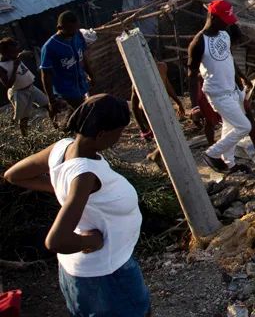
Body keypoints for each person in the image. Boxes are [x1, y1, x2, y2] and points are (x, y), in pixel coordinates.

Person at [4, 95, 150, 317]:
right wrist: (90, 241)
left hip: (82, 273)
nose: (119, 137)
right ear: (102, 133)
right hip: (106, 275)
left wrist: (61, 188)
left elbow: (14, 175)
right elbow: (56, 241)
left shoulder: (62, 148)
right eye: (119, 131)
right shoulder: (85, 175)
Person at [188, 0, 253, 174]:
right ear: (212, 16)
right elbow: (192, 75)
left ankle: (229, 163)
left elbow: (228, 59)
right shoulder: (198, 42)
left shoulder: (224, 34)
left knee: (230, 127)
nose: (227, 23)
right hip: (217, 93)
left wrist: (242, 79)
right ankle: (212, 153)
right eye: (224, 20)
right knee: (244, 127)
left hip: (232, 89)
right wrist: (194, 105)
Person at [40, 11, 93, 111]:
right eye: (70, 31)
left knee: (79, 114)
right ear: (60, 28)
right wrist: (51, 100)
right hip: (66, 91)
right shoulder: (49, 47)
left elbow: (83, 57)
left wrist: (91, 75)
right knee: (82, 113)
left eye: (76, 29)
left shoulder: (77, 35)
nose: (73, 33)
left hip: (80, 84)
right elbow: (46, 74)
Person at [2, 37, 53, 135]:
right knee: (24, 118)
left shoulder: (15, 57)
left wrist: (24, 54)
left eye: (16, 51)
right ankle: (25, 137)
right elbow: (8, 85)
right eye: (13, 52)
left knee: (48, 105)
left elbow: (22, 54)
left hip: (31, 87)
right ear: (5, 53)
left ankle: (56, 125)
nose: (16, 53)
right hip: (19, 93)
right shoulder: (2, 66)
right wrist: (15, 67)